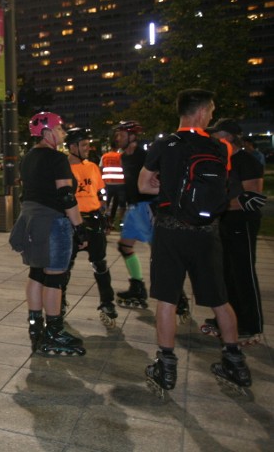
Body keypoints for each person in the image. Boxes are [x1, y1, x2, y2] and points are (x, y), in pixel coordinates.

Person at [138, 89, 252, 397]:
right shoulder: (220, 146)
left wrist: (165, 185)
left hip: (171, 230)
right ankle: (234, 361)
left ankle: (166, 365)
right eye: (211, 110)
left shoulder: (164, 144)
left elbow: (143, 185)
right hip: (207, 232)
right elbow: (224, 190)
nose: (212, 115)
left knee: (167, 298)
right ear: (200, 113)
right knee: (219, 298)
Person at [9, 112, 88, 357]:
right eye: (60, 129)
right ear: (47, 133)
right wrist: (79, 227)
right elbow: (66, 195)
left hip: (31, 220)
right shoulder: (56, 158)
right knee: (54, 277)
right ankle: (54, 331)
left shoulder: (28, 158)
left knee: (36, 273)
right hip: (53, 221)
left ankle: (36, 327)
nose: (63, 134)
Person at [202, 119, 266, 346]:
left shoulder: (246, 161)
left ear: (228, 137)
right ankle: (230, 318)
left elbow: (253, 197)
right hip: (224, 222)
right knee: (225, 272)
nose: (212, 138)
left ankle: (251, 324)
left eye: (216, 135)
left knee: (244, 272)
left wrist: (221, 206)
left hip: (242, 223)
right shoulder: (222, 160)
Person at [62, 128, 117, 327]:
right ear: (73, 147)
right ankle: (59, 301)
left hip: (94, 221)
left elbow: (100, 191)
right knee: (65, 265)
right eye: (84, 145)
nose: (88, 148)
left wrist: (105, 212)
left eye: (87, 144)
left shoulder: (92, 166)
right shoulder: (64, 168)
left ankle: (107, 302)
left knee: (100, 263)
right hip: (73, 222)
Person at [113, 121, 157, 309]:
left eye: (122, 135)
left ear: (132, 137)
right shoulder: (123, 157)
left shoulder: (146, 157)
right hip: (133, 207)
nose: (118, 138)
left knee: (160, 252)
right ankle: (137, 288)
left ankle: (177, 296)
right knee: (124, 247)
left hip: (148, 206)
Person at [99, 147, 126, 231]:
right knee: (119, 203)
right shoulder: (120, 156)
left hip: (107, 183)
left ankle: (107, 222)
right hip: (120, 183)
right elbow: (124, 167)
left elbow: (100, 168)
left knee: (106, 202)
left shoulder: (104, 156)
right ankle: (120, 222)